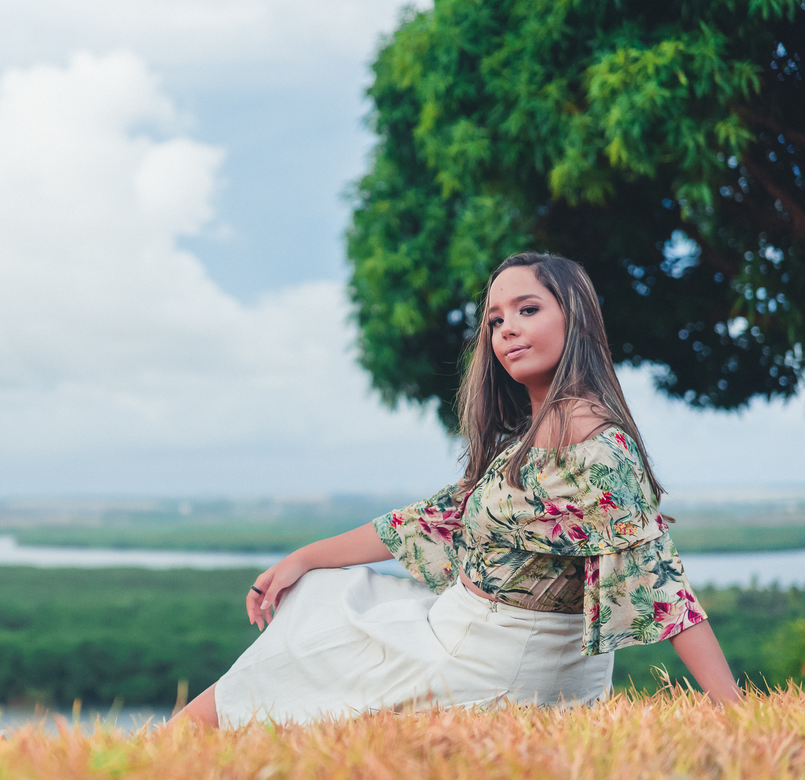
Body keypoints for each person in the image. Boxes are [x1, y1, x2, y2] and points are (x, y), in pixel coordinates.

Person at [171, 252, 743, 729]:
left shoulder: (590, 437)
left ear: (577, 320)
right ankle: (168, 744)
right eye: (495, 320)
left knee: (310, 634)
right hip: (493, 643)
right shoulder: (541, 428)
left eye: (527, 309)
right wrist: (301, 558)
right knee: (322, 594)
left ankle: (166, 747)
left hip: (491, 660)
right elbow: (435, 519)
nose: (507, 329)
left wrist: (735, 713)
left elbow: (662, 587)